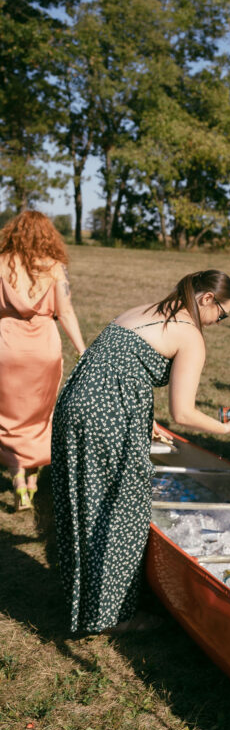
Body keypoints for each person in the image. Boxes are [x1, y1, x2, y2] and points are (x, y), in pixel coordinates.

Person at [51, 269, 230, 635]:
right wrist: (225, 427)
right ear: (207, 299)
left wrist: (144, 419)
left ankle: (86, 599)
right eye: (222, 314)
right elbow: (184, 412)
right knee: (124, 510)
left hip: (74, 404)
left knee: (84, 501)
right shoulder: (190, 335)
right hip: (107, 416)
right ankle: (115, 617)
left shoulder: (142, 310)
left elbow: (115, 369)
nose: (219, 322)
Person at [0, 211, 86, 511]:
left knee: (9, 417)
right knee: (39, 415)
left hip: (7, 346)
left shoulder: (1, 262)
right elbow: (66, 312)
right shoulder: (55, 267)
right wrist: (81, 349)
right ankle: (33, 479)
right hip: (43, 348)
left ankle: (17, 479)